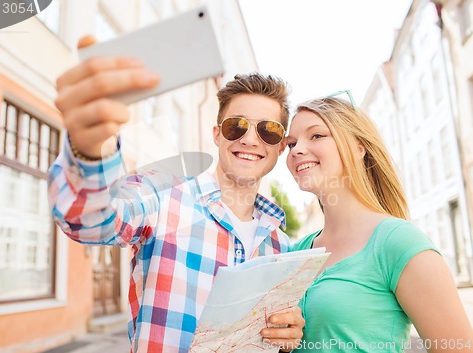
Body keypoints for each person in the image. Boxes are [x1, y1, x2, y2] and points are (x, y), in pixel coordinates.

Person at [48, 36, 304, 353]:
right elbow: (90, 220)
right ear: (216, 135)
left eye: (268, 130)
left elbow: (276, 334)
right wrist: (88, 152)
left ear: (280, 146)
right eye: (236, 126)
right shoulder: (165, 192)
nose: (251, 140)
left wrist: (288, 336)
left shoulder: (281, 245)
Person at [285, 92, 473, 353]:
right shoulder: (294, 254)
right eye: (290, 144)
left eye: (316, 135)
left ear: (358, 147)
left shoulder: (399, 243)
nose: (297, 150)